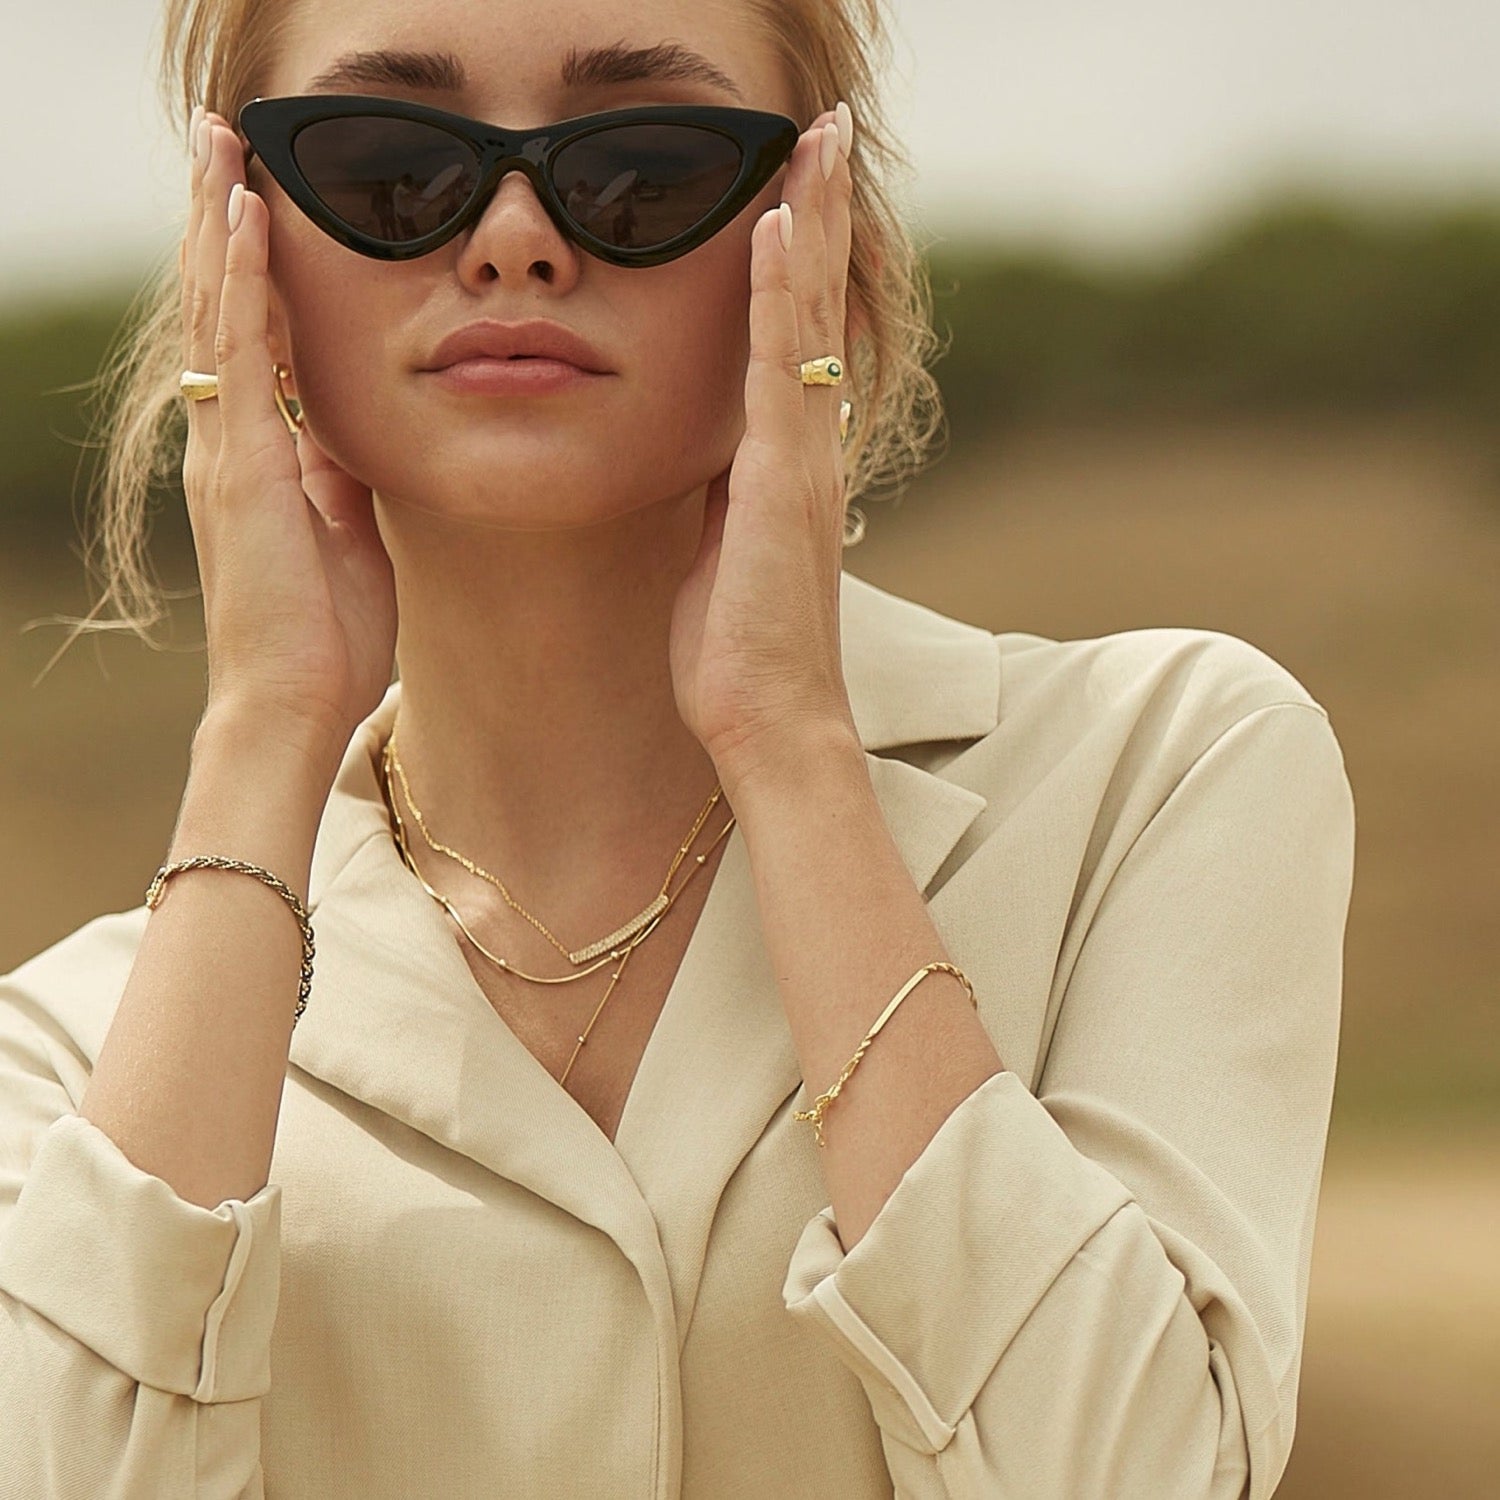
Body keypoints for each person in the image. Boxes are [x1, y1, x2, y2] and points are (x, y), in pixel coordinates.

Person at [0, 0, 1356, 1496]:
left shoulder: (1156, 772)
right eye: (388, 168)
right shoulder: (75, 1054)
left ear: (830, 248)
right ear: (241, 256)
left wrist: (792, 746)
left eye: (642, 168)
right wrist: (263, 720)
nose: (515, 241)